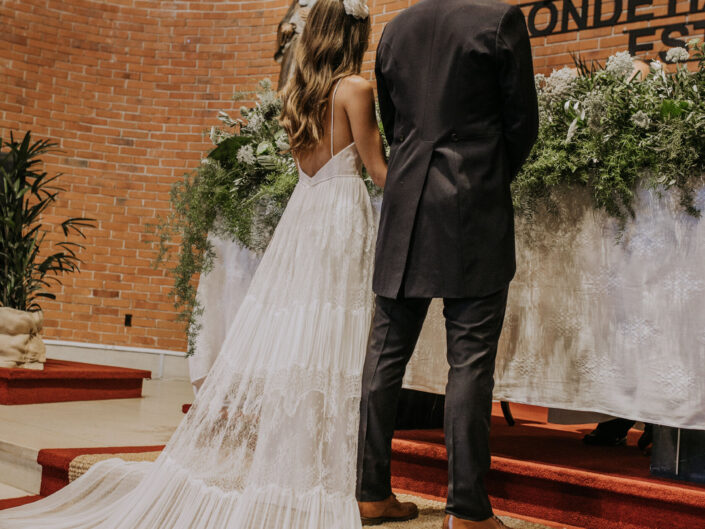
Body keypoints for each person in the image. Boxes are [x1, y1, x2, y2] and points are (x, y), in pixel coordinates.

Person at [0, 1, 387, 528]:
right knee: (335, 332)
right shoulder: (356, 89)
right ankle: (328, 467)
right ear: (353, 34)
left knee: (304, 332)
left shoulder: (299, 93)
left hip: (306, 215)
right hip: (341, 216)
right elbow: (378, 171)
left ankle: (298, 458)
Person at [356, 0, 539, 528]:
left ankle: (370, 493)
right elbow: (522, 123)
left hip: (405, 198)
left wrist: (415, 161)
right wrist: (486, 174)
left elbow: (393, 121)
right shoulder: (499, 20)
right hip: (472, 201)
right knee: (470, 361)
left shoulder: (396, 29)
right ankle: (466, 510)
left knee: (384, 355)